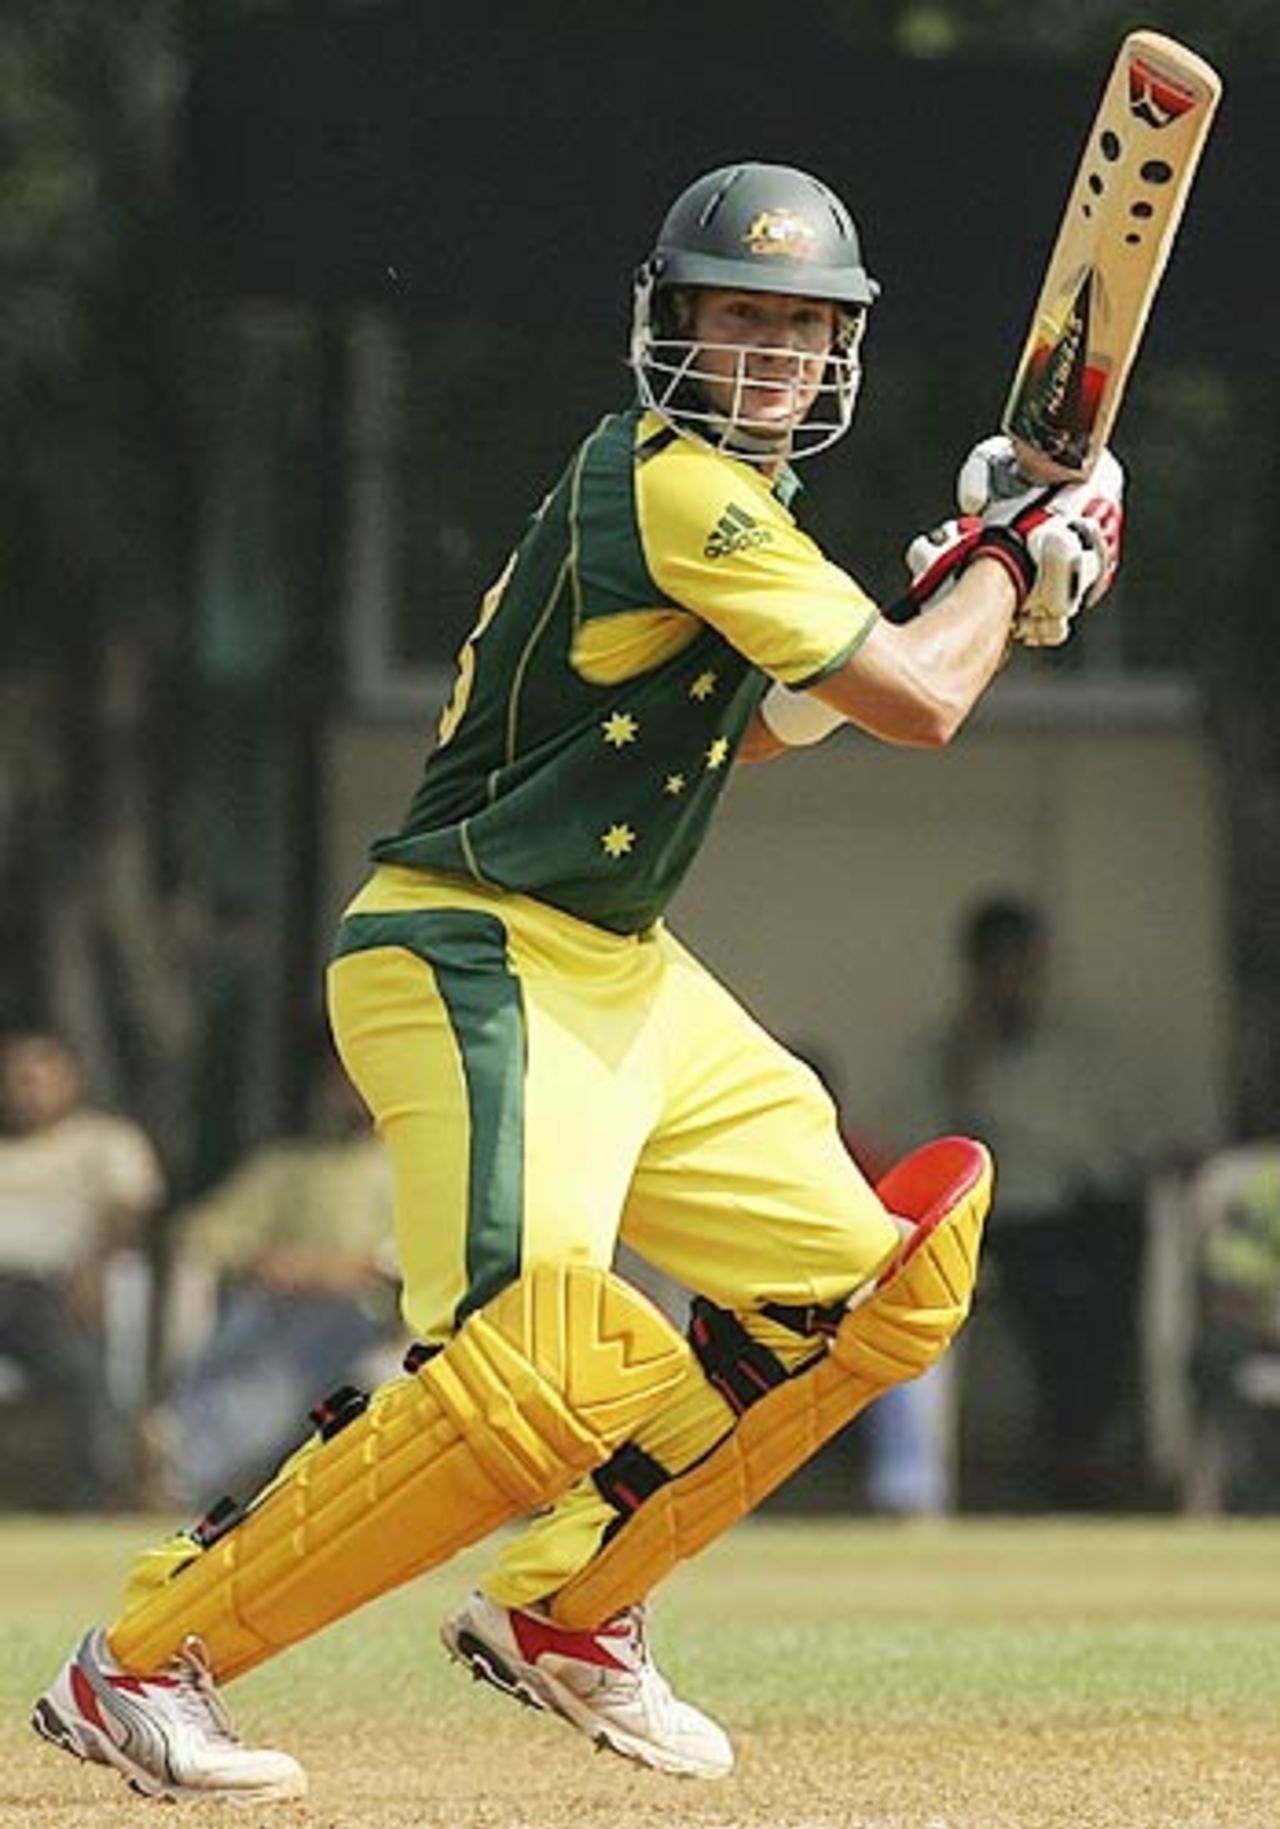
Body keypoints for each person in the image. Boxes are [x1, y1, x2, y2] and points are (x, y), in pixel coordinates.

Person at [32, 161, 1124, 1804]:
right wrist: (1011, 565)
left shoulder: (726, 516)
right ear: (669, 328)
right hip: (470, 948)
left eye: (797, 328)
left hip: (622, 973)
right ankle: (138, 1663)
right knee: (538, 1357)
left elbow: (775, 718)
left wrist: (988, 571)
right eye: (734, 318)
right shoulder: (677, 483)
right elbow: (918, 702)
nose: (763, 353)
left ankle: (572, 1609)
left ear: (837, 356)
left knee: (869, 1283)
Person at [896, 895, 1148, 1508]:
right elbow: (929, 1141)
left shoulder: (1073, 1049)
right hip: (992, 1218)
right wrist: (972, 1056)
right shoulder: (951, 1049)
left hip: (1071, 1211)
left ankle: (1080, 1451)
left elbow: (1108, 1144)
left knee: (1095, 1306)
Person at [147, 1051, 400, 1510]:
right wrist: (263, 1259)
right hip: (274, 1305)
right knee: (245, 1338)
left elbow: (408, 1256)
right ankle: (179, 1448)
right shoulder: (291, 1166)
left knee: (289, 1361)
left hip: (371, 1316)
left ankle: (185, 1465)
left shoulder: (410, 1166)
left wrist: (339, 1270)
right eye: (343, 1080)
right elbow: (201, 1232)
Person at [0, 1026, 166, 1508]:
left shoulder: (104, 1141)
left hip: (56, 1285)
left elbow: (132, 1208)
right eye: (14, 1079)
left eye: (36, 1078)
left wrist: (96, 1267)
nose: (24, 1090)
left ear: (70, 1080)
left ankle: (97, 1491)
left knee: (77, 1366)